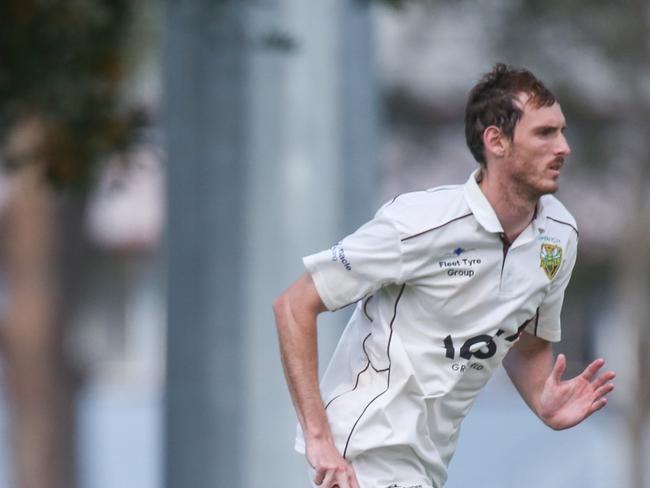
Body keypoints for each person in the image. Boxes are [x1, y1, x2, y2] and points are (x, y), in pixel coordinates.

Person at [272, 63, 616, 488]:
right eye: (544, 133)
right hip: (360, 459)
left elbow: (525, 345)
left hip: (427, 468)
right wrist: (318, 439)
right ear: (497, 141)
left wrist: (543, 401)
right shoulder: (420, 223)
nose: (563, 147)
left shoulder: (559, 236)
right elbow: (293, 306)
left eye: (562, 131)